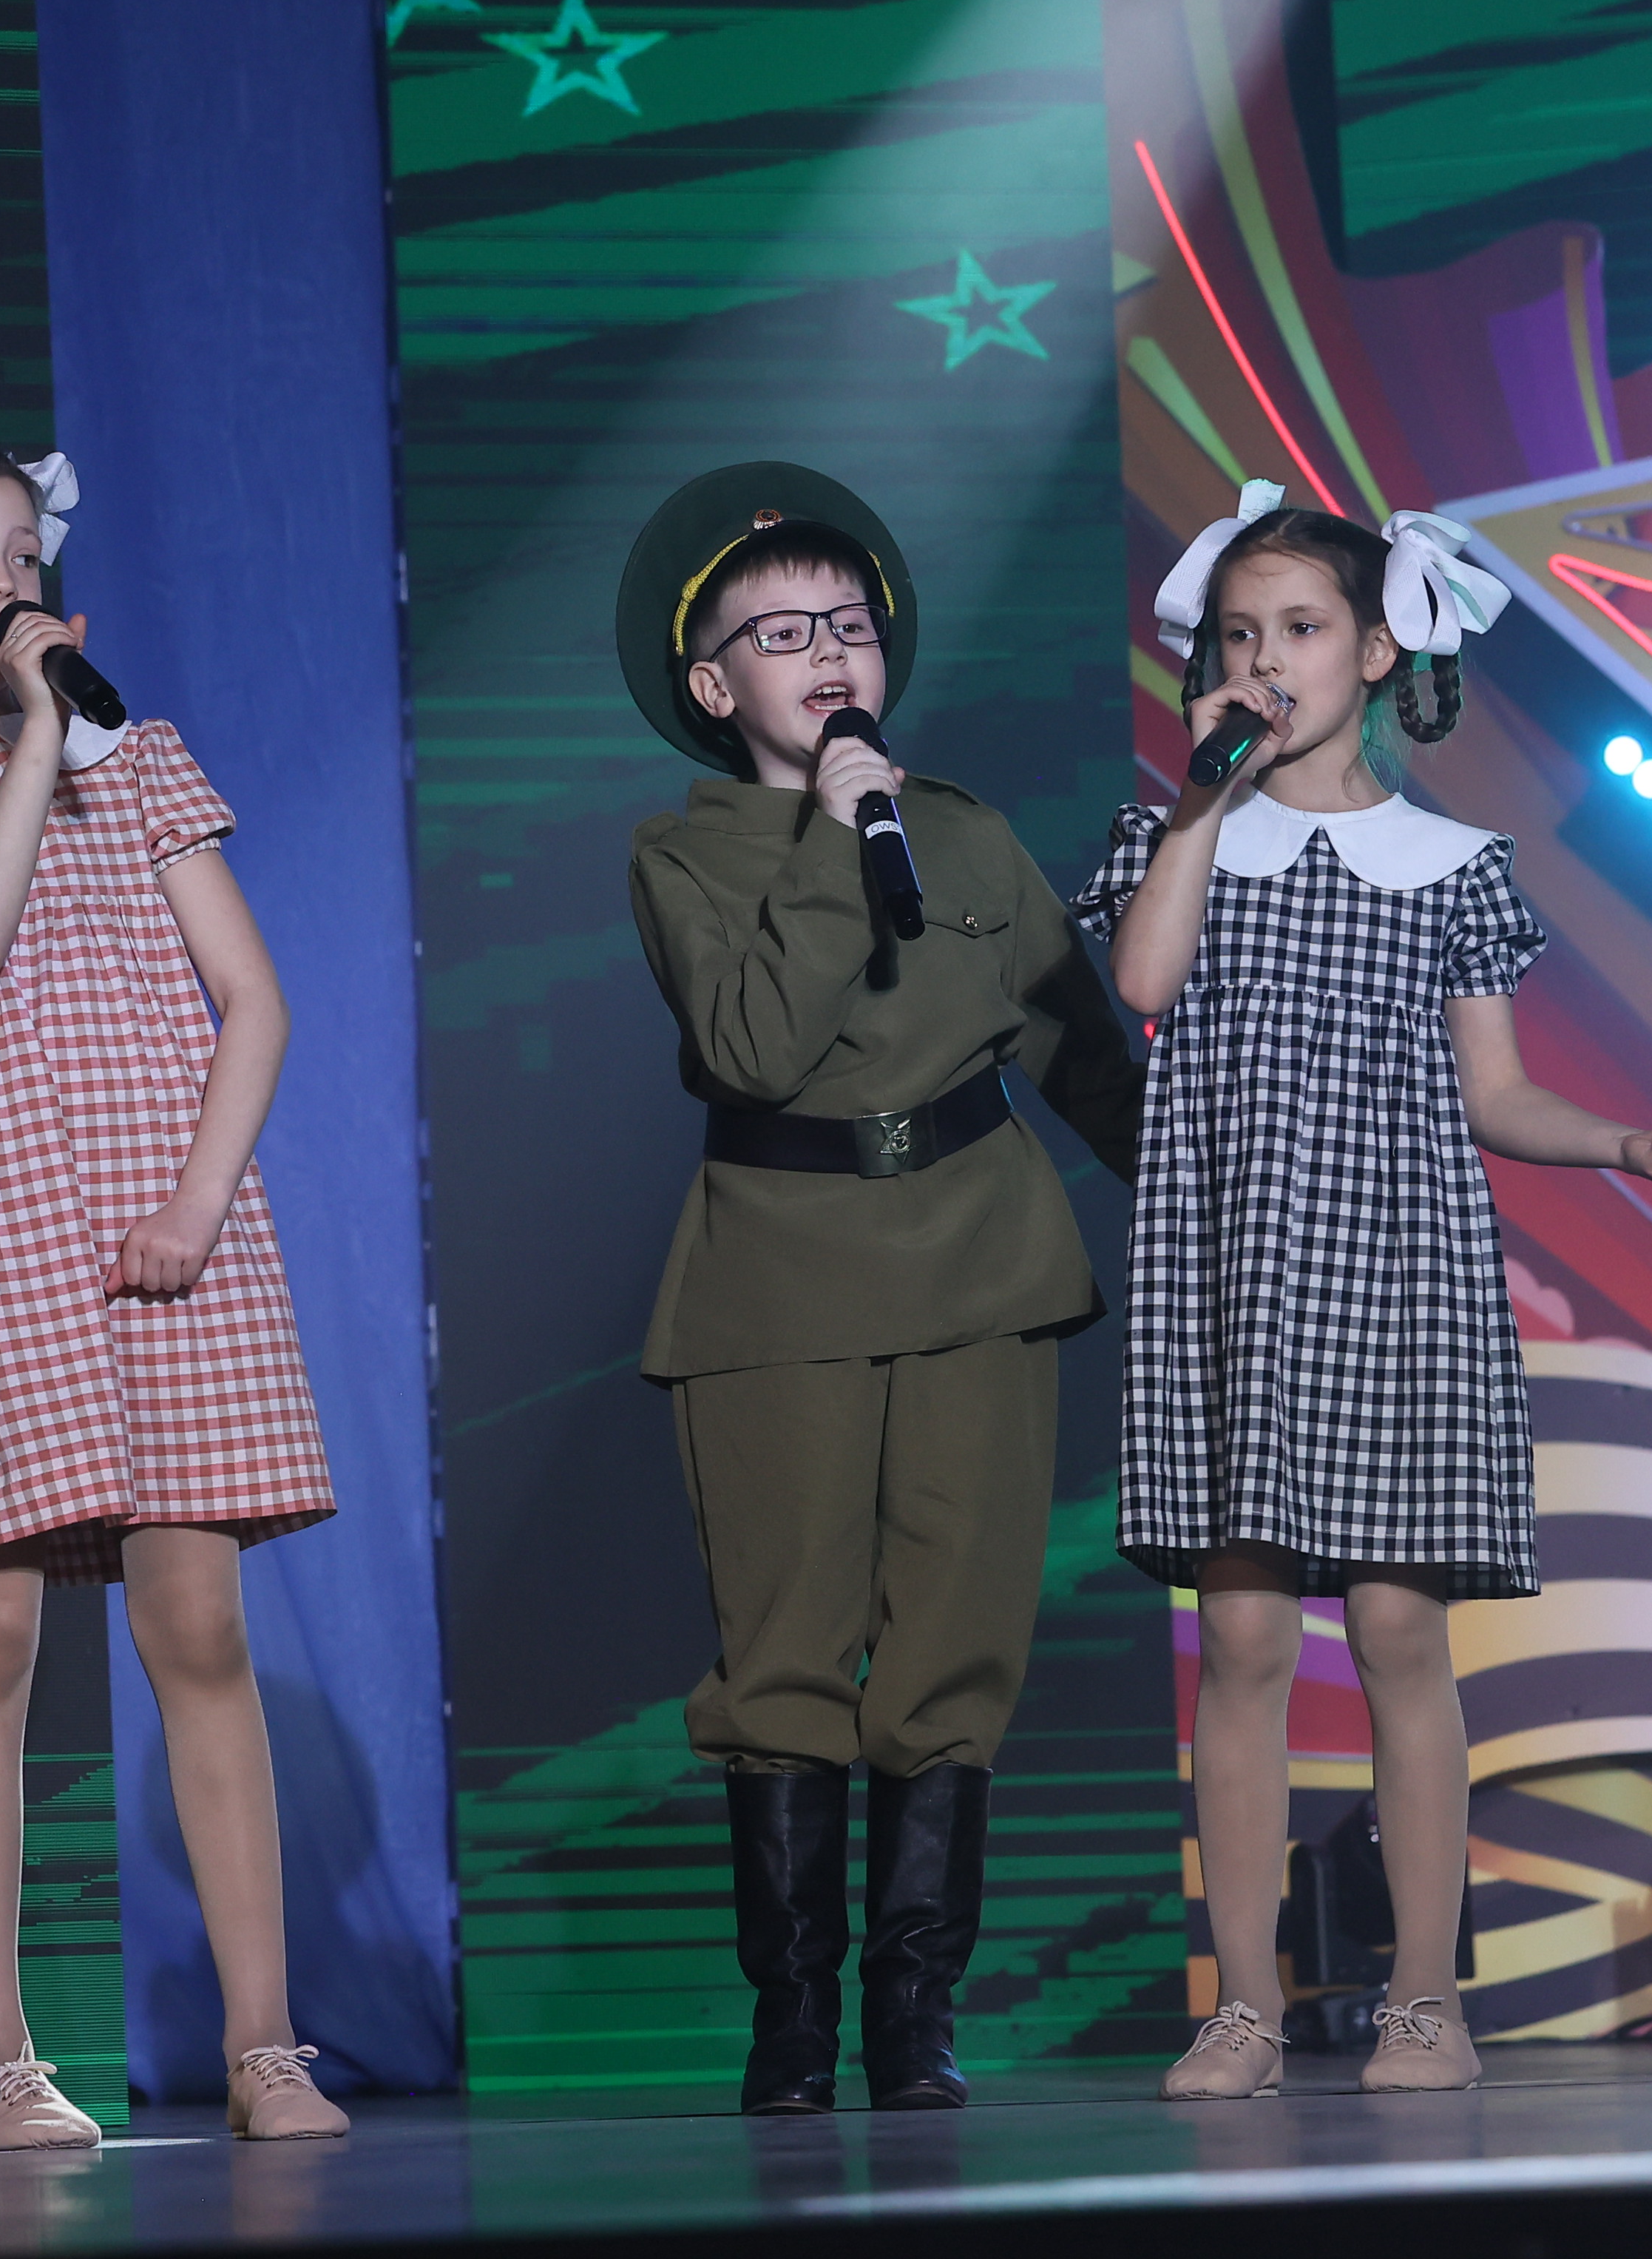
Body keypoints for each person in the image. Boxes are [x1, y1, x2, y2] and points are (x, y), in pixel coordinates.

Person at [1086, 482, 1652, 2099]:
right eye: (1237, 636)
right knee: (1243, 1632)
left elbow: (1495, 1094)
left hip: (1400, 1278)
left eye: (1300, 628)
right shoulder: (1180, 834)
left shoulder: (1452, 865)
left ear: (1379, 649)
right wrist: (1197, 802)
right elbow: (1144, 982)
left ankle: (1423, 2001)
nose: (1264, 661)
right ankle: (1244, 2008)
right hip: (1235, 1281)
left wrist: (1631, 1145)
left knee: (1399, 1631)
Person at [0, 422, 348, 2152]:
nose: (3, 580)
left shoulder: (140, 760)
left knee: (199, 1625)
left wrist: (196, 1205)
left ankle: (265, 2043)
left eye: (23, 552)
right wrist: (34, 734)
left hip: (171, 1236)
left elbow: (254, 1001)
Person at [613, 465, 1145, 2117]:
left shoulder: (969, 829)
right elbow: (754, 1047)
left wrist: (1212, 1206)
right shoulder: (684, 853)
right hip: (779, 1279)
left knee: (954, 1657)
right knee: (783, 1659)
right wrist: (843, 837)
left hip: (983, 1262)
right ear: (715, 688)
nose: (828, 654)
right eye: (782, 635)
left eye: (847, 624)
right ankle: (795, 2025)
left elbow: (1085, 1055)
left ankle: (917, 2018)